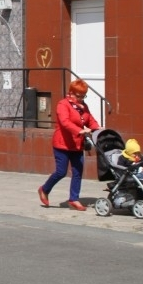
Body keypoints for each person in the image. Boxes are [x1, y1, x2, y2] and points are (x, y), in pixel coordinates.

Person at [37, 79, 100, 211]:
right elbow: (65, 123)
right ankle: (44, 189)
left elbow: (91, 120)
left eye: (84, 96)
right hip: (62, 144)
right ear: (71, 93)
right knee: (61, 172)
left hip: (76, 145)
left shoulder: (83, 107)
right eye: (79, 96)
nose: (81, 99)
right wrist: (79, 130)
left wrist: (98, 129)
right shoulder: (63, 105)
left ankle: (74, 199)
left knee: (77, 172)